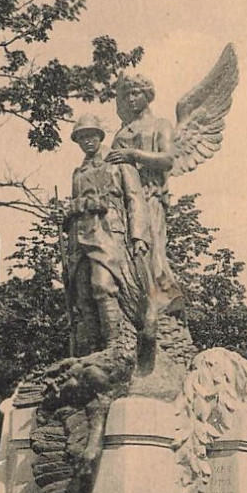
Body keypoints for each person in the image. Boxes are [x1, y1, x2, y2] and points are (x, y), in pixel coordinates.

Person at [65, 114, 150, 356]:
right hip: (79, 238)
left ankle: (116, 344)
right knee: (82, 294)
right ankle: (93, 351)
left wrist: (138, 237)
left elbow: (136, 200)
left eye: (90, 135)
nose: (86, 141)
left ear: (100, 136)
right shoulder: (78, 173)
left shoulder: (119, 163)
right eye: (81, 137)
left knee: (103, 285)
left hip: (109, 234)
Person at [106, 73, 184, 325]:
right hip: (123, 202)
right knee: (125, 255)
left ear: (147, 95)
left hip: (150, 195)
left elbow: (168, 159)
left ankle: (165, 304)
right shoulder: (121, 133)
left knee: (151, 253)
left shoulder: (160, 125)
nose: (130, 99)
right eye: (126, 94)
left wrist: (133, 154)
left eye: (136, 93)